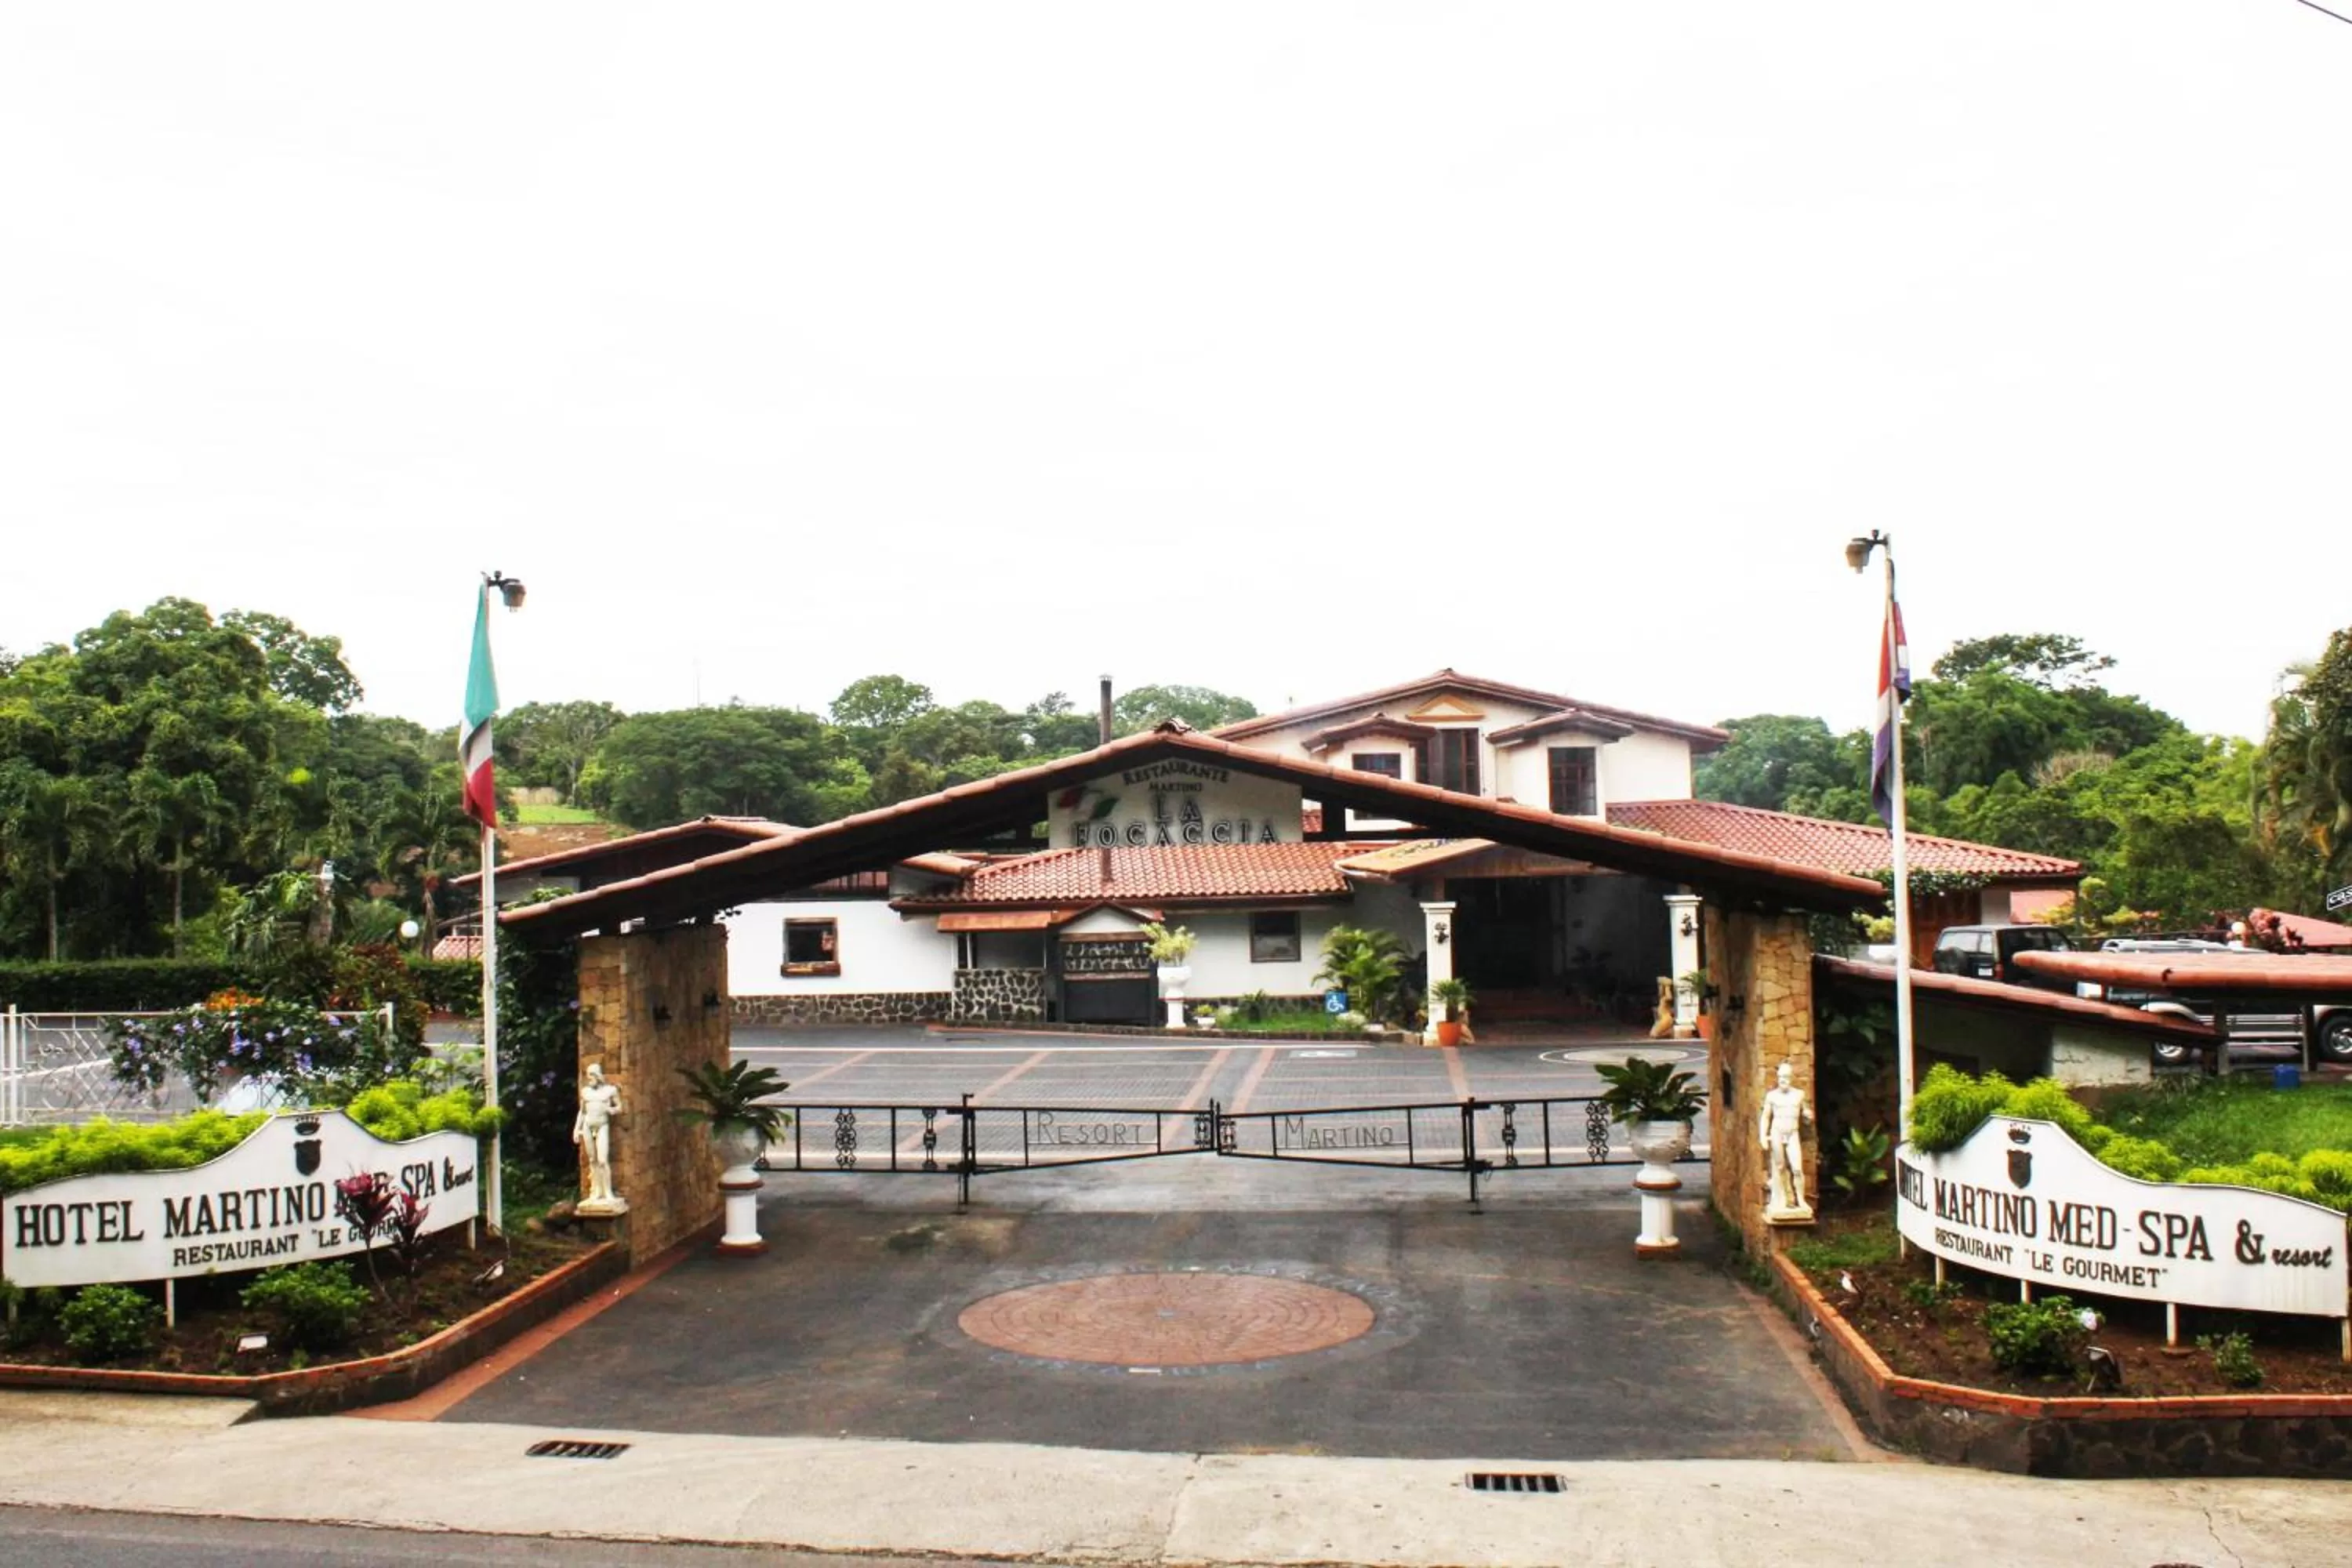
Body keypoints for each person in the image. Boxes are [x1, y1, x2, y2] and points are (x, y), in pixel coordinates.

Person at [1759, 1061, 1811, 1217]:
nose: (1783, 1080)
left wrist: (1808, 1117)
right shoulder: (1772, 1096)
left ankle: (1800, 1199)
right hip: (1777, 1132)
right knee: (1780, 1166)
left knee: (1797, 1168)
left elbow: (1806, 1115)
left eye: (1786, 1077)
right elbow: (1766, 1117)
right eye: (1780, 1076)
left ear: (1791, 1078)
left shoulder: (1799, 1095)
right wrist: (1763, 1136)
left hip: (1793, 1133)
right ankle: (1782, 1199)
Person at [574, 1062, 626, 1212]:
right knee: (592, 1160)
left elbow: (619, 1107)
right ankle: (596, 1192)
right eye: (587, 1075)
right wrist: (576, 1129)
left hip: (602, 1125)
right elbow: (582, 1112)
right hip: (588, 1126)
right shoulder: (586, 1092)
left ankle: (607, 1192)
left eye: (591, 1075)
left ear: (598, 1075)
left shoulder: (609, 1091)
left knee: (602, 1160)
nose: (589, 1078)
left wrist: (611, 1110)